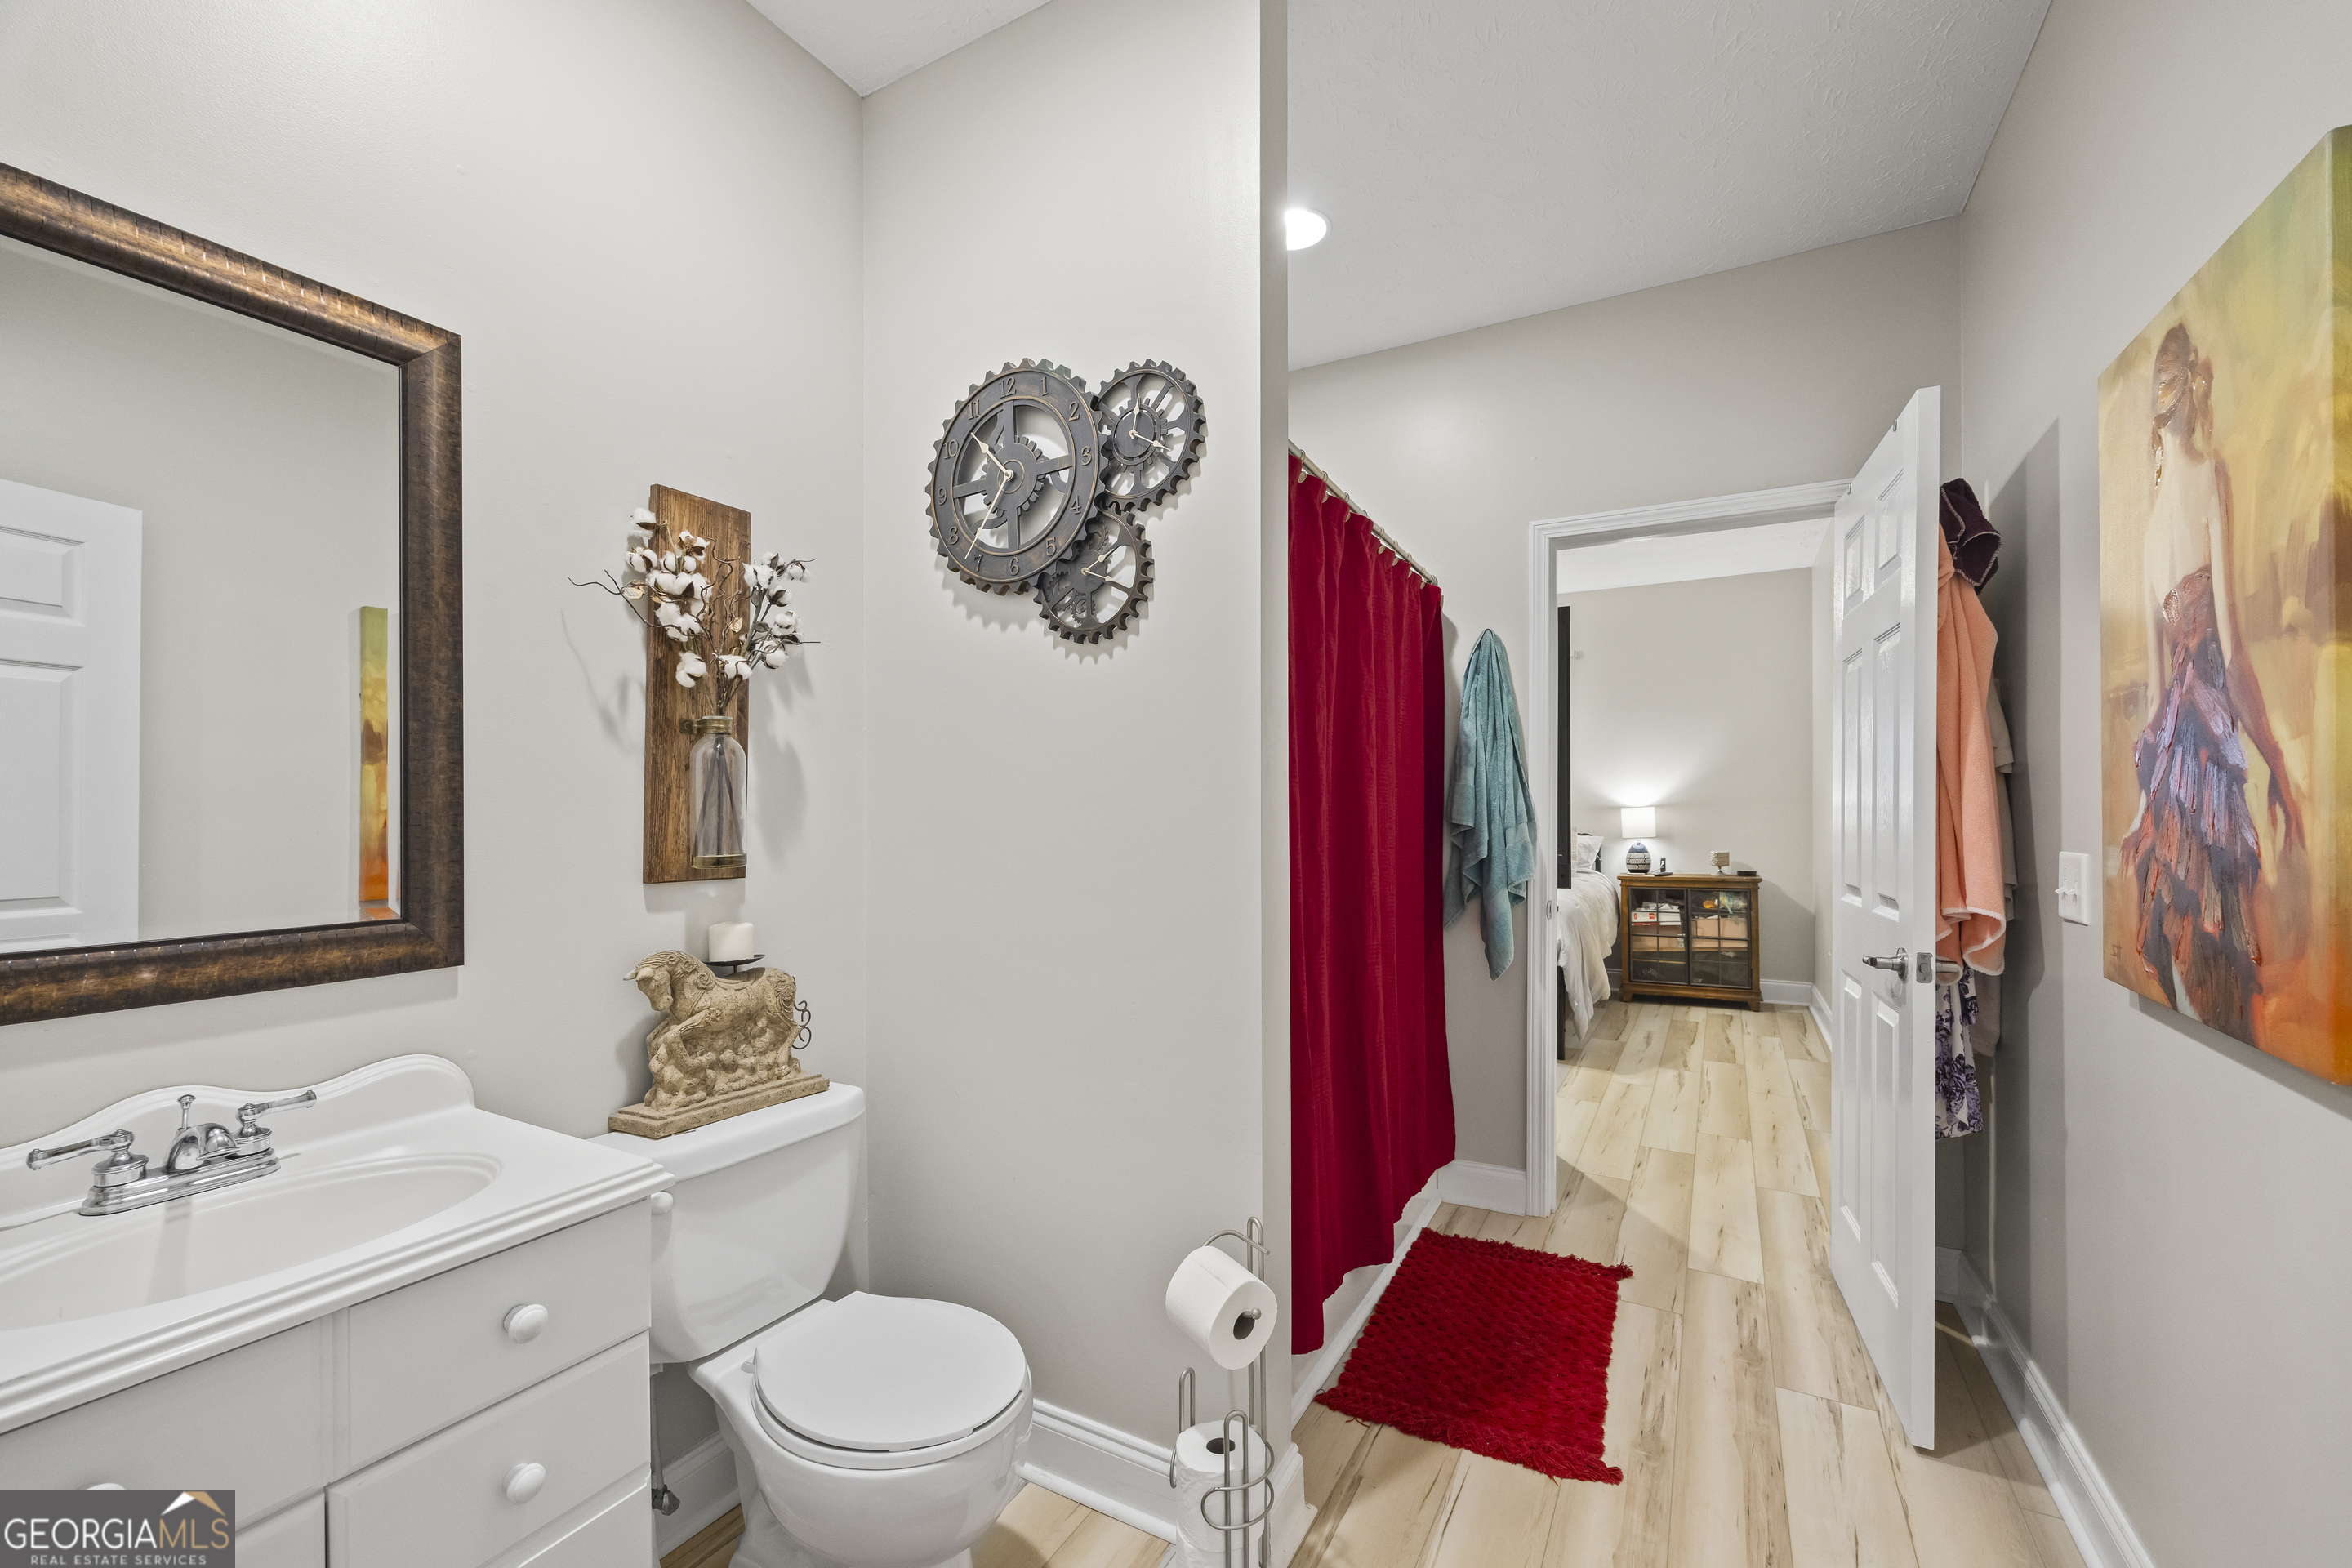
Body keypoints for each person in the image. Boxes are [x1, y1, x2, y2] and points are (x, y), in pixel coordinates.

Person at [2119, 323, 2305, 1040]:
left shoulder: (2146, 539)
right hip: (2208, 756)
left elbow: (2153, 696)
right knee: (2223, 950)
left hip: (2174, 765)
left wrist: (2141, 810)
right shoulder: (2211, 477)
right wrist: (2278, 763)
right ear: (2191, 394)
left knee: (2187, 943)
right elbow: (2234, 648)